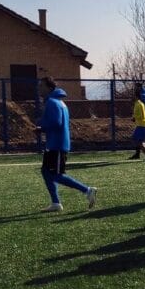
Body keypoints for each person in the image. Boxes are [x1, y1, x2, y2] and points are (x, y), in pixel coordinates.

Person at [36, 77, 97, 212]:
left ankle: (87, 190)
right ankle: (55, 203)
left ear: (49, 88)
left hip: (57, 144)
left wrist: (41, 127)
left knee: (56, 175)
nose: (39, 88)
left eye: (41, 86)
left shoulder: (52, 102)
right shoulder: (58, 101)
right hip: (54, 143)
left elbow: (56, 123)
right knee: (46, 172)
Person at [129, 85, 145, 161]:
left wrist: (134, 118)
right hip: (141, 125)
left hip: (142, 125)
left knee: (139, 142)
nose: (132, 97)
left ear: (136, 96)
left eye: (133, 96)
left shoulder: (139, 104)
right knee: (135, 139)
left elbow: (142, 115)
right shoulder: (138, 103)